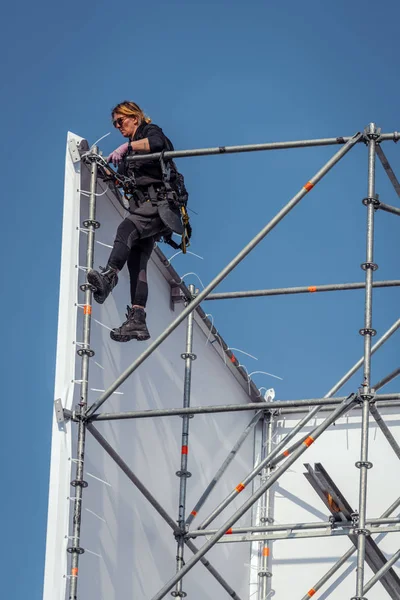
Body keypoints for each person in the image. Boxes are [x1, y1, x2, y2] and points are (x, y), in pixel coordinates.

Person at [87, 101, 184, 342]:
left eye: (121, 121)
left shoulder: (149, 133)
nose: (118, 126)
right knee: (137, 260)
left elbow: (160, 144)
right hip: (149, 209)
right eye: (115, 123)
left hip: (160, 204)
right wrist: (104, 171)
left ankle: (109, 276)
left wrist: (126, 147)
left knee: (126, 228)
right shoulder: (133, 153)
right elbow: (128, 183)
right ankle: (137, 319)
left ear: (135, 117)